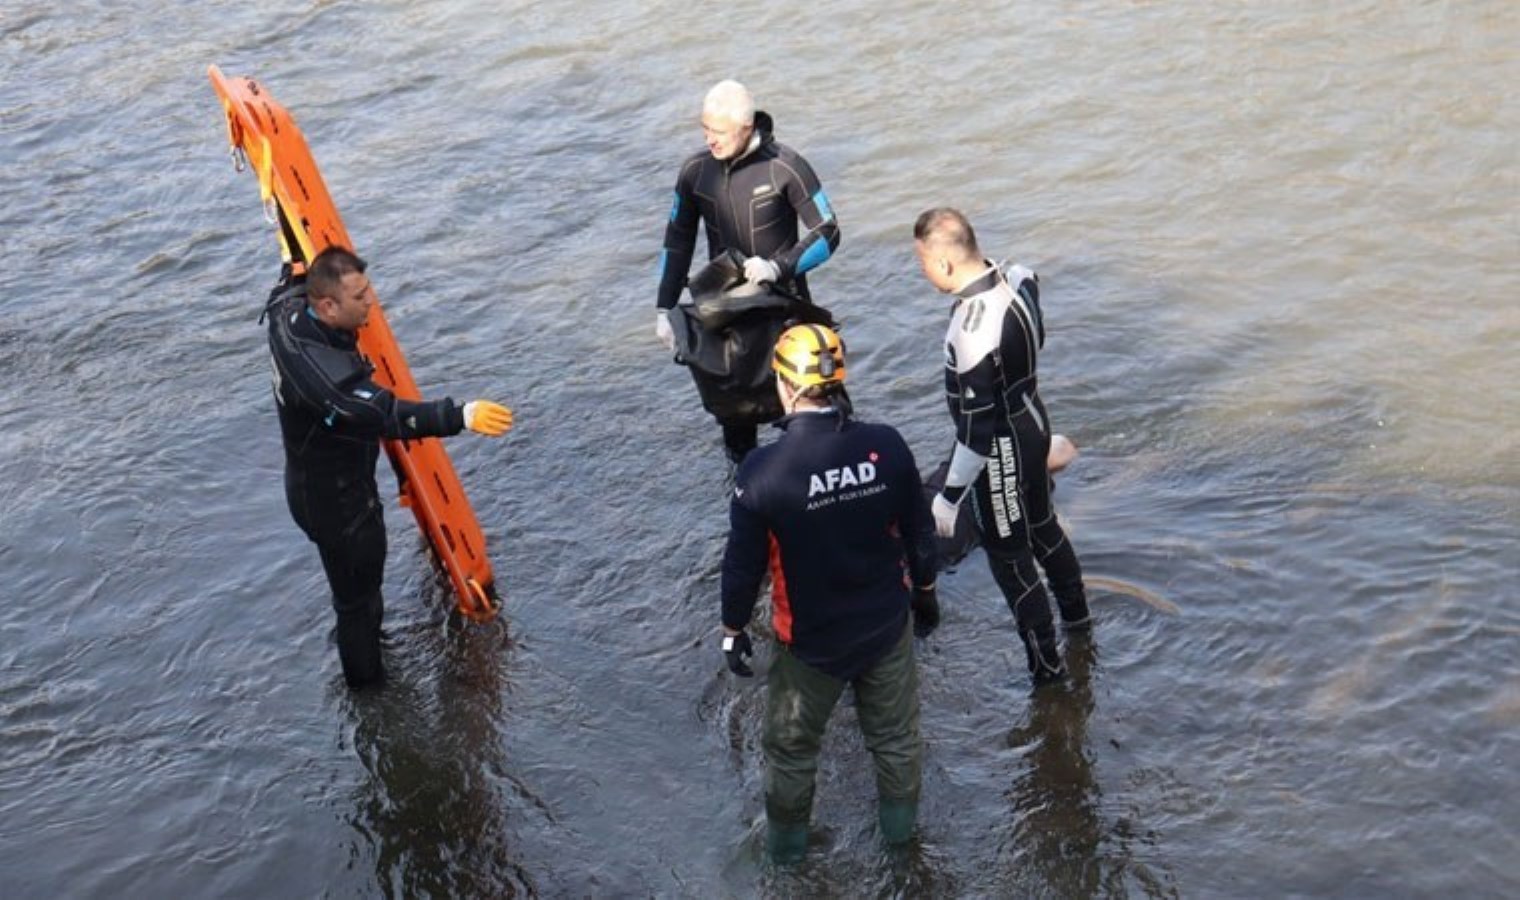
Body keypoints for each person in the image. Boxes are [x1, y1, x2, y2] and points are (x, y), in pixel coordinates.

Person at [719, 324, 939, 864]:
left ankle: (787, 862)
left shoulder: (763, 473)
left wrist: (732, 630)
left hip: (810, 645)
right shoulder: (885, 445)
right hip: (885, 629)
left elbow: (743, 567)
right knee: (895, 742)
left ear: (786, 387)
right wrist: (927, 592)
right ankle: (902, 850)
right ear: (838, 380)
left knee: (793, 753)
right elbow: (919, 532)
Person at [265, 247, 513, 690]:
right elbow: (390, 416)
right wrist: (461, 415)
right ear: (327, 306)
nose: (371, 303)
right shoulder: (330, 383)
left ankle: (373, 662)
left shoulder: (287, 314)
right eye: (359, 296)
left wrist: (290, 253)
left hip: (310, 482)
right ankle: (370, 696)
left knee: (358, 594)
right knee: (358, 605)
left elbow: (289, 282)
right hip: (338, 506)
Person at [912, 208, 1090, 684]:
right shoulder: (1018, 280)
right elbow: (1031, 283)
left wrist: (949, 499)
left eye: (922, 263)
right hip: (1033, 416)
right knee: (1044, 527)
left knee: (1011, 559)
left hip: (1002, 448)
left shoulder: (971, 332)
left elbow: (976, 433)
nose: (923, 274)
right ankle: (1079, 623)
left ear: (945, 263)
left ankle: (1048, 673)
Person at [656, 79, 842, 463]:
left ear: (746, 127)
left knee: (817, 421)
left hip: (784, 313)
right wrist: (664, 310)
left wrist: (779, 266)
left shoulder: (785, 167)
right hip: (726, 319)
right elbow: (677, 241)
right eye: (705, 129)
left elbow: (829, 230)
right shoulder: (695, 172)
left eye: (718, 132)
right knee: (738, 437)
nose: (710, 139)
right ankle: (747, 506)